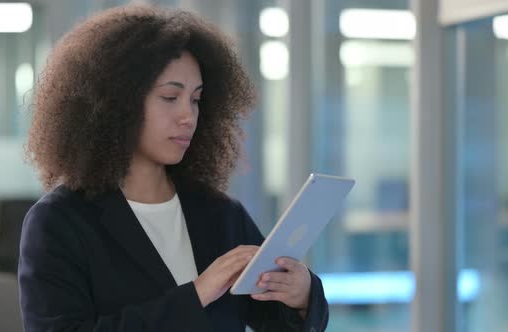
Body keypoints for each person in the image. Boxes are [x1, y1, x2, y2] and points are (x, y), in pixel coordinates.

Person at [18, 5, 328, 332]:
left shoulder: (221, 215)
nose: (188, 116)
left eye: (195, 100)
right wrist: (195, 296)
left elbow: (277, 322)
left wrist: (302, 295)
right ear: (115, 103)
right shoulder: (58, 223)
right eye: (170, 97)